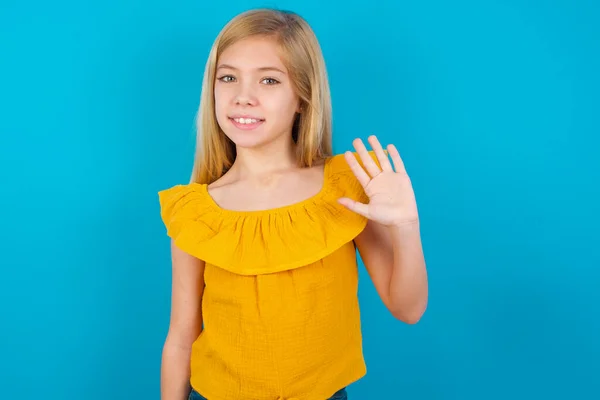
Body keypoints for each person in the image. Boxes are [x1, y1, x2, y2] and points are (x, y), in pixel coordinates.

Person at [158, 8, 428, 400]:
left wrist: (406, 225)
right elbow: (181, 339)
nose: (243, 97)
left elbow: (409, 309)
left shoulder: (346, 187)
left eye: (269, 80)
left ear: (302, 96)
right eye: (228, 77)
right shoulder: (197, 211)